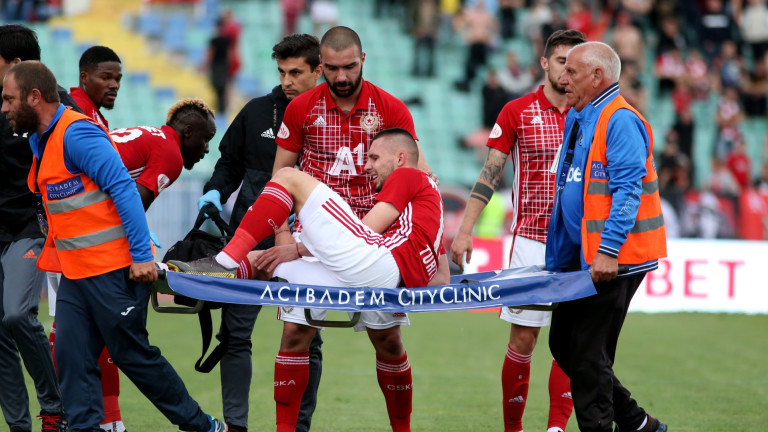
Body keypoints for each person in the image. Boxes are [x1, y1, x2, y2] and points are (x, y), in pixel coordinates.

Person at [168, 128, 449, 432]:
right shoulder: (429, 195)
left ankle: (223, 260)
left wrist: (301, 245)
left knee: (289, 176)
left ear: (400, 158)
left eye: (374, 157)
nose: (366, 165)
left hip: (373, 261)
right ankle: (194, 271)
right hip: (380, 278)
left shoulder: (408, 176)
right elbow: (441, 276)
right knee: (270, 264)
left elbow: (369, 229)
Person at [0, 60, 226, 432]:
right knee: (71, 358)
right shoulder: (42, 138)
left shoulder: (76, 134)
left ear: (34, 97)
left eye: (9, 99)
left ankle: (204, 427)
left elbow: (124, 188)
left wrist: (140, 256)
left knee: (132, 356)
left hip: (114, 270)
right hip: (77, 271)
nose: (4, 108)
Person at [267, 26, 440, 432]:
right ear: (320, 66)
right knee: (295, 333)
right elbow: (281, 176)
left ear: (363, 60)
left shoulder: (393, 109)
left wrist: (439, 256)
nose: (341, 77)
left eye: (349, 67)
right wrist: (283, 236)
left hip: (373, 244)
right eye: (331, 68)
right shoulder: (301, 108)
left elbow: (417, 177)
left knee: (388, 341)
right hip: (314, 236)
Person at [450, 29, 586, 432]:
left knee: (571, 344)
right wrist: (465, 230)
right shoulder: (516, 111)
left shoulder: (593, 114)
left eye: (576, 64)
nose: (568, 71)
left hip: (579, 244)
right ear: (545, 63)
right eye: (562, 61)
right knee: (523, 340)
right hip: (531, 240)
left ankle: (556, 428)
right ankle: (514, 428)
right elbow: (489, 175)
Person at [196, 34, 323, 432]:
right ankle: (236, 426)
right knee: (234, 336)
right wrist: (214, 191)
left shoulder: (331, 119)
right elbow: (228, 163)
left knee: (308, 341)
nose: (287, 80)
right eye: (282, 72)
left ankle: (297, 427)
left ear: (318, 71)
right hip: (249, 240)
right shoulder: (255, 112)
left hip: (307, 246)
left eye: (296, 72)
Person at [547, 41, 668, 432]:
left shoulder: (619, 120)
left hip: (615, 259)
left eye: (572, 73)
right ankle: (636, 424)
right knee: (564, 345)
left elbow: (627, 191)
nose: (563, 79)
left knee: (587, 353)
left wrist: (607, 251)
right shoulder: (580, 115)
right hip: (582, 258)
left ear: (598, 77)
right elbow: (574, 186)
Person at [0, 24, 68, 432]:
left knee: (16, 314)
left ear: (18, 65)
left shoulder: (53, 106)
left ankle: (55, 409)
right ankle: (19, 426)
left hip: (30, 225)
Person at [114, 97, 216, 210]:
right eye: (206, 139)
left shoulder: (153, 136)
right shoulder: (171, 154)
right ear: (188, 131)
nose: (207, 149)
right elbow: (133, 208)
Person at [69, 45, 121, 130]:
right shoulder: (75, 107)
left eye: (118, 79)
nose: (115, 85)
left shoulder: (91, 110)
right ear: (84, 77)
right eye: (105, 78)